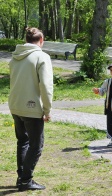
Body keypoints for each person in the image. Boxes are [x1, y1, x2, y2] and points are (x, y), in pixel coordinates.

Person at [8, 27, 53, 191]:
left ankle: (22, 177)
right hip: (32, 108)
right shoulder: (42, 56)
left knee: (23, 141)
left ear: (27, 40)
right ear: (41, 41)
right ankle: (26, 180)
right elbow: (46, 86)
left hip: (15, 105)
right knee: (36, 145)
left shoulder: (15, 57)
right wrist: (47, 110)